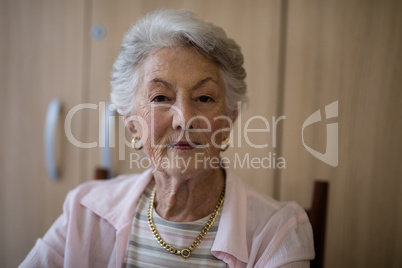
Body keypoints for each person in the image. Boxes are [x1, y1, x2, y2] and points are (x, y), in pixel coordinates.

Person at [21, 9, 314, 267]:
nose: (184, 119)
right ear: (132, 123)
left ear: (229, 120)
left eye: (204, 97)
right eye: (160, 97)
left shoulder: (278, 231)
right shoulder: (86, 211)